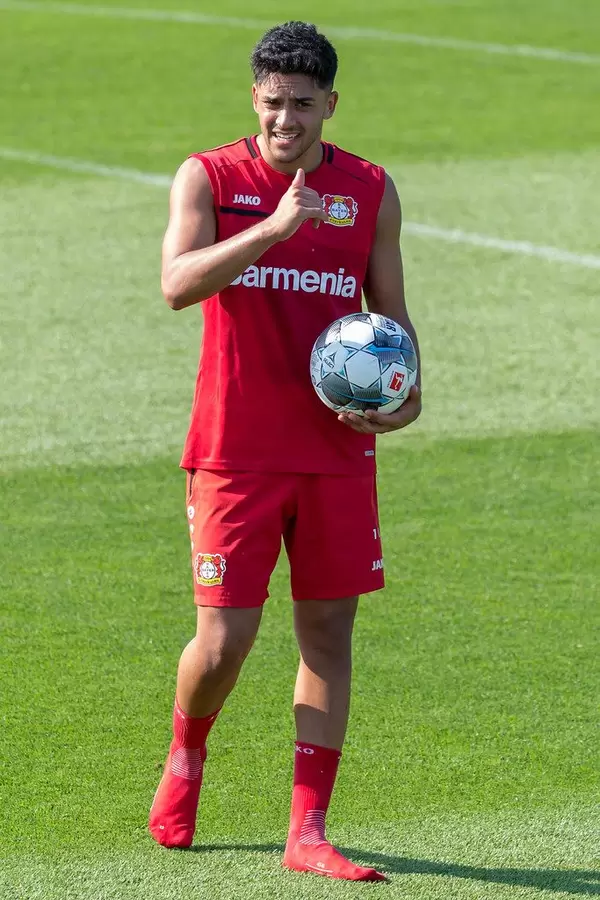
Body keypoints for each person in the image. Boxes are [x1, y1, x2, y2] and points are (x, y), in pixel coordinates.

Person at [149, 20, 422, 882]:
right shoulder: (210, 177)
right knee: (225, 641)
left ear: (330, 105)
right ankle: (187, 757)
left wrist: (405, 396)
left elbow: (392, 317)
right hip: (235, 450)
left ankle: (307, 830)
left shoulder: (370, 191)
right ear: (254, 99)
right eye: (273, 104)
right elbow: (176, 285)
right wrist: (269, 229)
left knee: (329, 635)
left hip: (337, 453)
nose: (286, 121)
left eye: (304, 105)